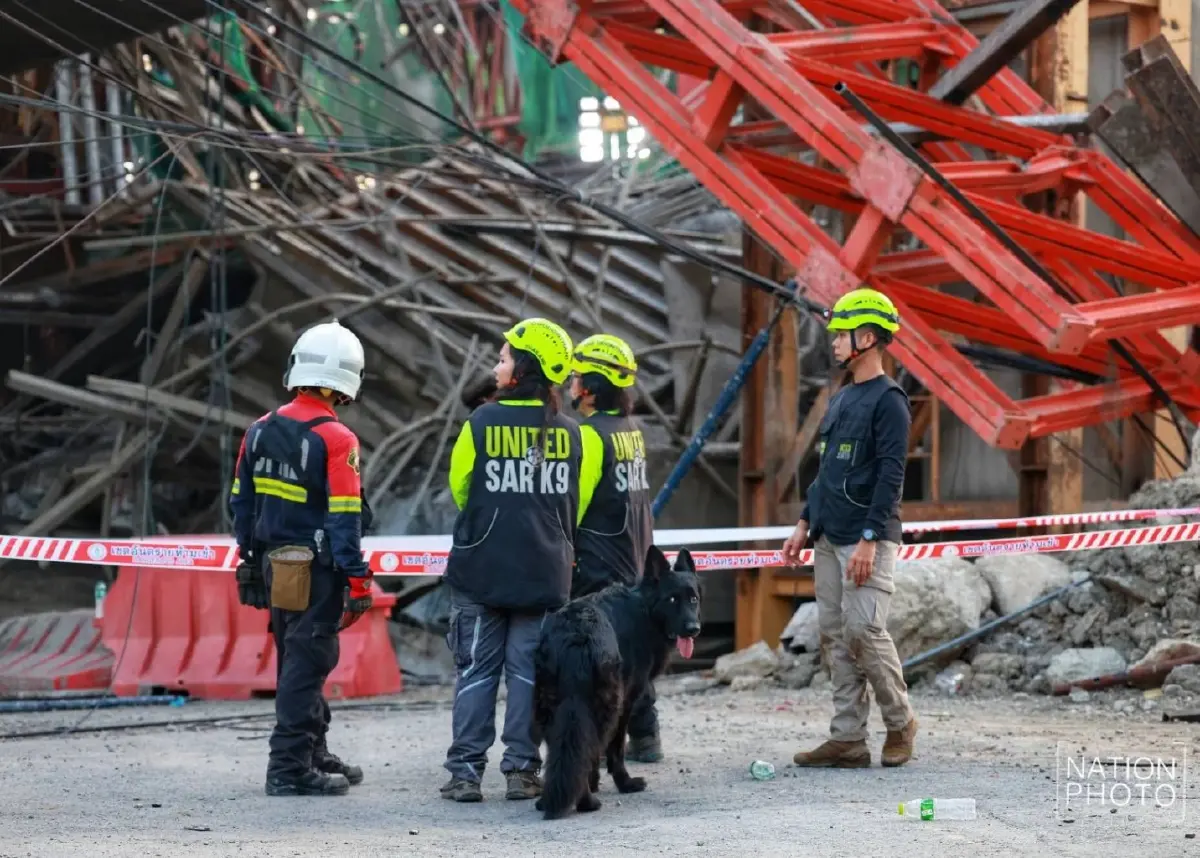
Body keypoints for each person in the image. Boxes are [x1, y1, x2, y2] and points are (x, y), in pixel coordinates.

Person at [440, 317, 599, 803]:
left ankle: (465, 773)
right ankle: (521, 771)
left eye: (504, 358)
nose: (496, 365)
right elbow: (579, 502)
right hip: (544, 576)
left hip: (482, 573)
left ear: (522, 369)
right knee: (529, 676)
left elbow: (461, 488)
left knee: (476, 673)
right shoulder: (572, 434)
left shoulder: (481, 422)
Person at [230, 319, 375, 797]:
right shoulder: (338, 440)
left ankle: (313, 749)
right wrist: (358, 581)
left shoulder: (257, 431)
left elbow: (241, 504)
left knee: (297, 658)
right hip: (317, 572)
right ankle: (288, 767)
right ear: (348, 382)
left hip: (275, 567)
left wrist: (250, 559)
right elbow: (345, 519)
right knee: (308, 662)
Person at [780, 287, 918, 769]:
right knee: (835, 636)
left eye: (841, 334)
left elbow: (891, 477)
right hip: (827, 535)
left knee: (864, 630)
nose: (835, 342)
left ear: (868, 337)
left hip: (867, 539)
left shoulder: (890, 402)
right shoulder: (840, 400)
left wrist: (869, 539)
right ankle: (848, 739)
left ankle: (900, 723)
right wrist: (803, 523)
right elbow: (826, 472)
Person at [566, 333, 661, 763]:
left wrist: (563, 550)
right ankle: (646, 738)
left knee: (603, 656)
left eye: (577, 373)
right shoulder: (630, 431)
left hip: (597, 561)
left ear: (590, 386)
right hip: (632, 554)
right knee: (633, 650)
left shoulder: (588, 436)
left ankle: (606, 744)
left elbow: (575, 503)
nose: (570, 379)